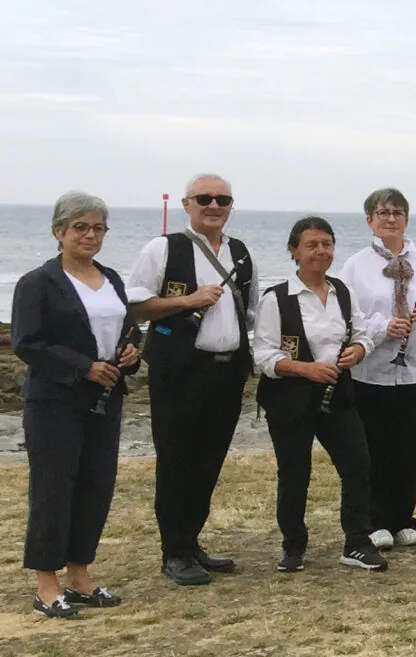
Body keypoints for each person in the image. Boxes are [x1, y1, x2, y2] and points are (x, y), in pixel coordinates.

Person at [14, 191, 140, 617]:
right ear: (59, 232)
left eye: (98, 228)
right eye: (80, 227)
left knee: (96, 485)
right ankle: (46, 585)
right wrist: (83, 366)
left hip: (106, 398)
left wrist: (132, 353)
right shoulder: (38, 282)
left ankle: (79, 575)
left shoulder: (111, 278)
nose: (90, 235)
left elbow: (129, 328)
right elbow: (27, 343)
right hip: (55, 401)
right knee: (53, 488)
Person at [128, 173, 256, 585]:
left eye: (223, 199)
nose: (214, 205)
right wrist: (190, 300)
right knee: (176, 460)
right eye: (205, 198)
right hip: (180, 372)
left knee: (209, 460)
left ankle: (192, 540)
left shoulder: (240, 252)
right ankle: (174, 551)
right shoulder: (163, 248)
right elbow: (137, 307)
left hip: (227, 372)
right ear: (187, 204)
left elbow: (249, 312)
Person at [252, 216, 387, 573]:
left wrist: (359, 350)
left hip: (337, 395)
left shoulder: (342, 291)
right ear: (293, 251)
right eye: (311, 245)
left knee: (358, 464)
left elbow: (362, 332)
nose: (320, 251)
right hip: (290, 399)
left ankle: (357, 541)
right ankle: (293, 545)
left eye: (327, 244)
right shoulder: (276, 299)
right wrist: (303, 368)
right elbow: (263, 354)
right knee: (295, 473)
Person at [341, 188, 416, 550]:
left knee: (410, 447)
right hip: (372, 371)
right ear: (370, 221)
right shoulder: (355, 265)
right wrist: (383, 328)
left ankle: (402, 519)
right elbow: (348, 315)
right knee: (373, 447)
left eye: (397, 212)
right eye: (382, 213)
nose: (390, 218)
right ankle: (374, 521)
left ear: (406, 219)